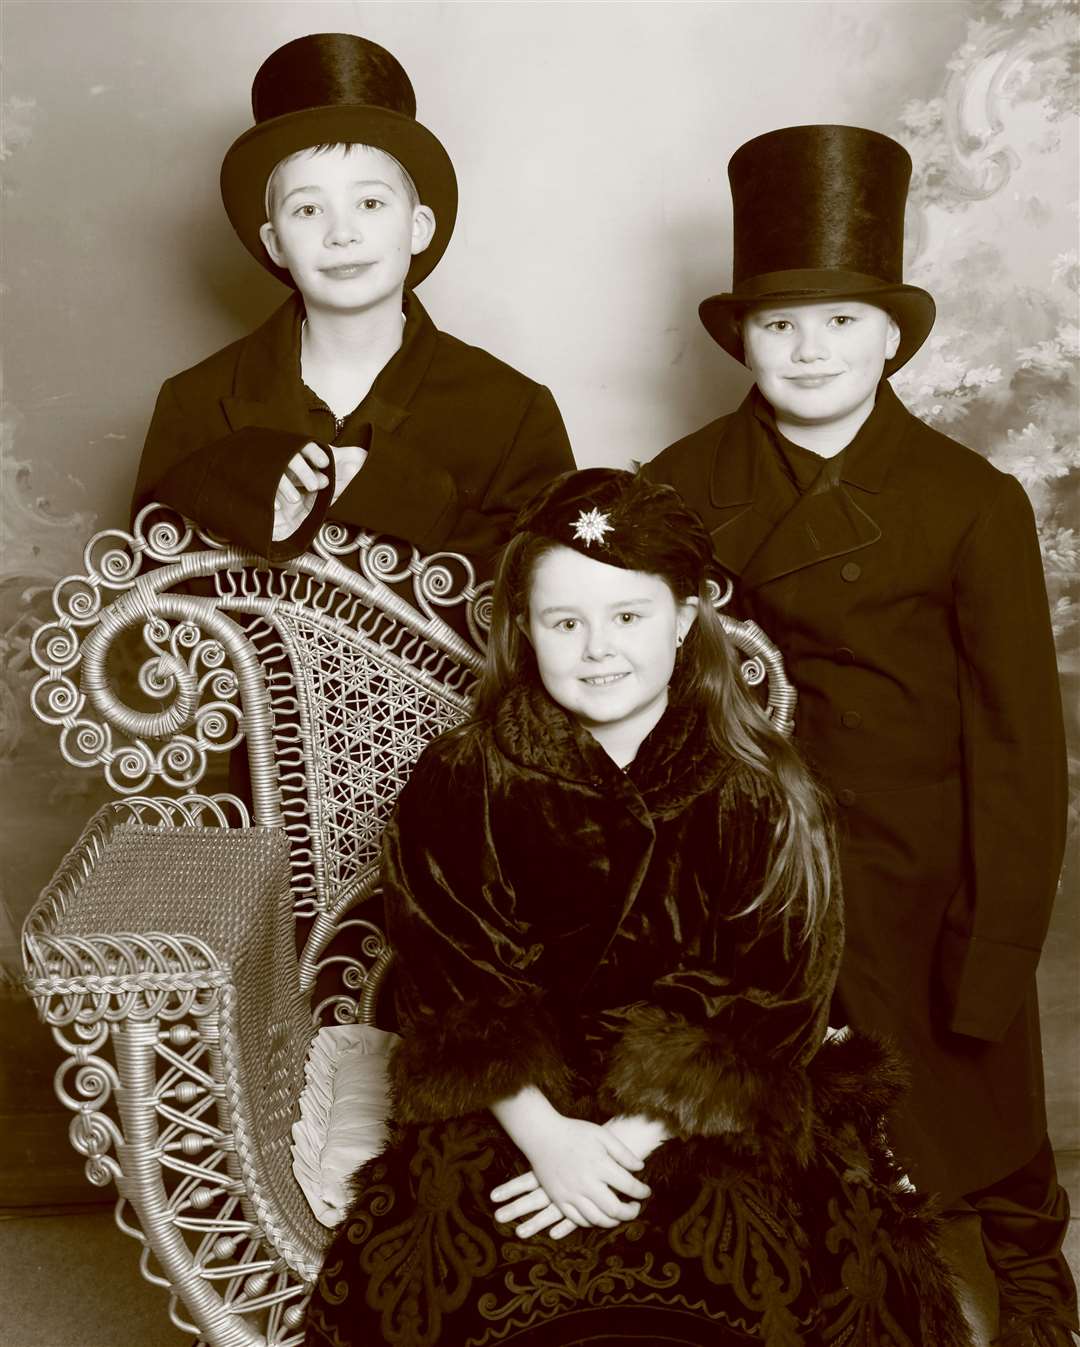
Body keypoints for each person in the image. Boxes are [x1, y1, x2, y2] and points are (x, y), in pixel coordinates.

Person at [305, 468, 971, 1347]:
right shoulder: (464, 776)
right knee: (488, 1285)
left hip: (699, 1098)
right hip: (515, 1095)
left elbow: (776, 988)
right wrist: (552, 1141)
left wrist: (621, 1142)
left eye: (628, 616)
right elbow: (452, 980)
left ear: (687, 616)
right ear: (524, 629)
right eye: (564, 622)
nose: (597, 649)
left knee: (740, 1276)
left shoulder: (763, 787)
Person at [646, 124, 1076, 1347]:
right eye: (781, 324)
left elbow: (1019, 752)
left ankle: (1033, 1265)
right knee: (790, 1108)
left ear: (892, 336)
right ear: (740, 340)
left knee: (975, 1087)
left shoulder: (971, 501)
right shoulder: (678, 487)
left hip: (927, 864)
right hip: (757, 863)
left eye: (842, 321)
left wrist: (997, 939)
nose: (812, 348)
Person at [131, 32, 573, 572]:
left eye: (369, 202)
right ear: (274, 243)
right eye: (307, 210)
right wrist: (233, 499)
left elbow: (549, 601)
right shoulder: (193, 401)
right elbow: (150, 606)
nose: (342, 234)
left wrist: (402, 494)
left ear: (418, 227)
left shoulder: (515, 410)